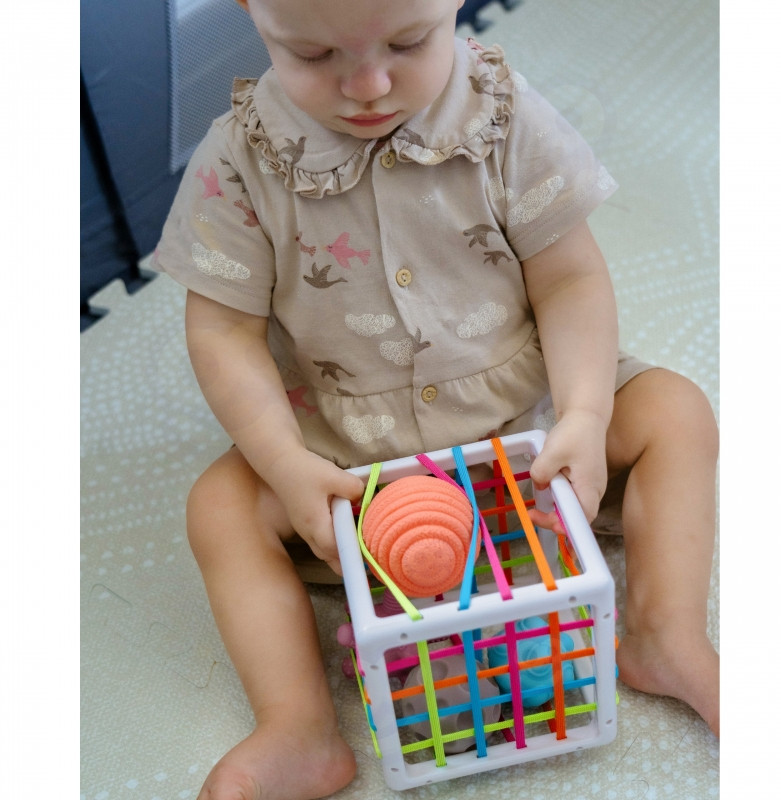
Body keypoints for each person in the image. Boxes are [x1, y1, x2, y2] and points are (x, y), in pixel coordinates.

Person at [152, 1, 720, 797]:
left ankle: (667, 634)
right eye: (313, 54)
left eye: (410, 41)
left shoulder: (503, 114)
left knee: (676, 410)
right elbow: (224, 335)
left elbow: (571, 279)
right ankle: (300, 728)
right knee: (219, 505)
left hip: (528, 425)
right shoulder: (241, 160)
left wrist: (587, 415)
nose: (368, 84)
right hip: (346, 459)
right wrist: (283, 464)